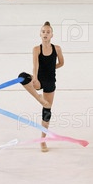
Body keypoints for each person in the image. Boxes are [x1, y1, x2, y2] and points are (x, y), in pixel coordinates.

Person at [18, 22, 64, 152]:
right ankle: (38, 97)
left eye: (48, 32)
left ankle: (43, 140)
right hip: (39, 79)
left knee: (47, 111)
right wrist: (35, 78)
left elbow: (61, 63)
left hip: (50, 81)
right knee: (22, 77)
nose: (45, 34)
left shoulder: (57, 49)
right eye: (43, 31)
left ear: (52, 35)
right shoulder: (36, 49)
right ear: (40, 34)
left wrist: (51, 68)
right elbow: (35, 66)